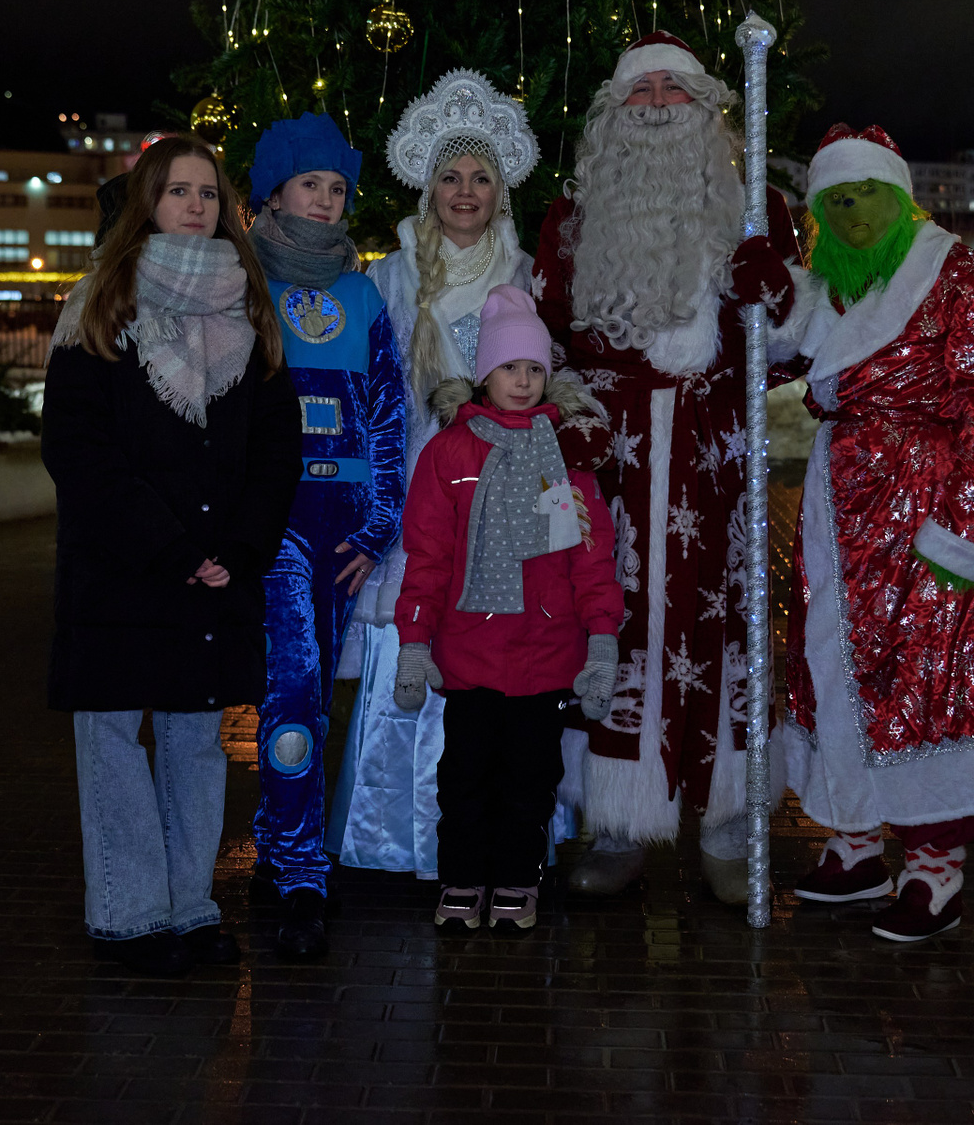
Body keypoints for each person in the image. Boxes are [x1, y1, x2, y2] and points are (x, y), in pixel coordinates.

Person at [530, 31, 804, 904]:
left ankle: (728, 824)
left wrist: (775, 295)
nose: (654, 105)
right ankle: (615, 823)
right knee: (611, 622)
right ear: (613, 111)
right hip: (613, 461)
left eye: (672, 90)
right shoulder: (572, 218)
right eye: (638, 91)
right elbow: (545, 342)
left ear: (705, 107)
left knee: (725, 626)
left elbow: (792, 351)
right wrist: (571, 412)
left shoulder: (754, 208)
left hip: (714, 458)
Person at [331, 70, 608, 879]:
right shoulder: (389, 277)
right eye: (449, 176)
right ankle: (397, 838)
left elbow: (551, 383)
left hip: (513, 493)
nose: (464, 191)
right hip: (423, 492)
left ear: (500, 189)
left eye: (479, 176)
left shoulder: (527, 275)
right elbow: (367, 398)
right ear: (429, 186)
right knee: (415, 639)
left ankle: (510, 846)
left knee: (506, 668)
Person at [42, 134, 300, 977]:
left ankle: (189, 906)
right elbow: (78, 452)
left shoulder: (251, 312)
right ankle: (128, 914)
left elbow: (277, 449)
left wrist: (239, 548)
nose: (195, 205)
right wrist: (169, 545)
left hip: (216, 571)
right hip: (121, 570)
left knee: (195, 744)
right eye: (178, 190)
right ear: (146, 203)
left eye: (208, 193)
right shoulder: (97, 306)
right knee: (113, 741)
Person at [778, 123, 974, 942]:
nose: (851, 213)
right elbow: (768, 359)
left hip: (924, 510)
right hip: (836, 509)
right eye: (835, 200)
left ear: (900, 195)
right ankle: (856, 842)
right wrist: (761, 301)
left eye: (866, 195)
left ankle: (935, 866)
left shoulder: (963, 279)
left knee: (925, 681)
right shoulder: (828, 286)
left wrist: (965, 533)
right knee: (833, 668)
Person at [390, 285, 625, 930]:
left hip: (545, 653)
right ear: (483, 374)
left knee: (530, 779)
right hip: (469, 652)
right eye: (508, 367)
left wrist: (602, 638)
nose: (522, 382)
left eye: (534, 369)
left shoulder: (564, 455)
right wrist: (414, 639)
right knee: (465, 777)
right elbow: (428, 555)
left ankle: (519, 878)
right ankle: (462, 877)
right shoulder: (450, 453)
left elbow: (589, 553)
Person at [246, 112, 409, 959]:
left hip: (342, 527)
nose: (325, 199)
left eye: (338, 188)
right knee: (294, 687)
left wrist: (380, 524)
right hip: (274, 522)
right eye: (309, 184)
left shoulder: (362, 294)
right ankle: (302, 870)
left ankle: (278, 840)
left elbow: (388, 415)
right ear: (273, 193)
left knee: (312, 696)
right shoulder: (241, 288)